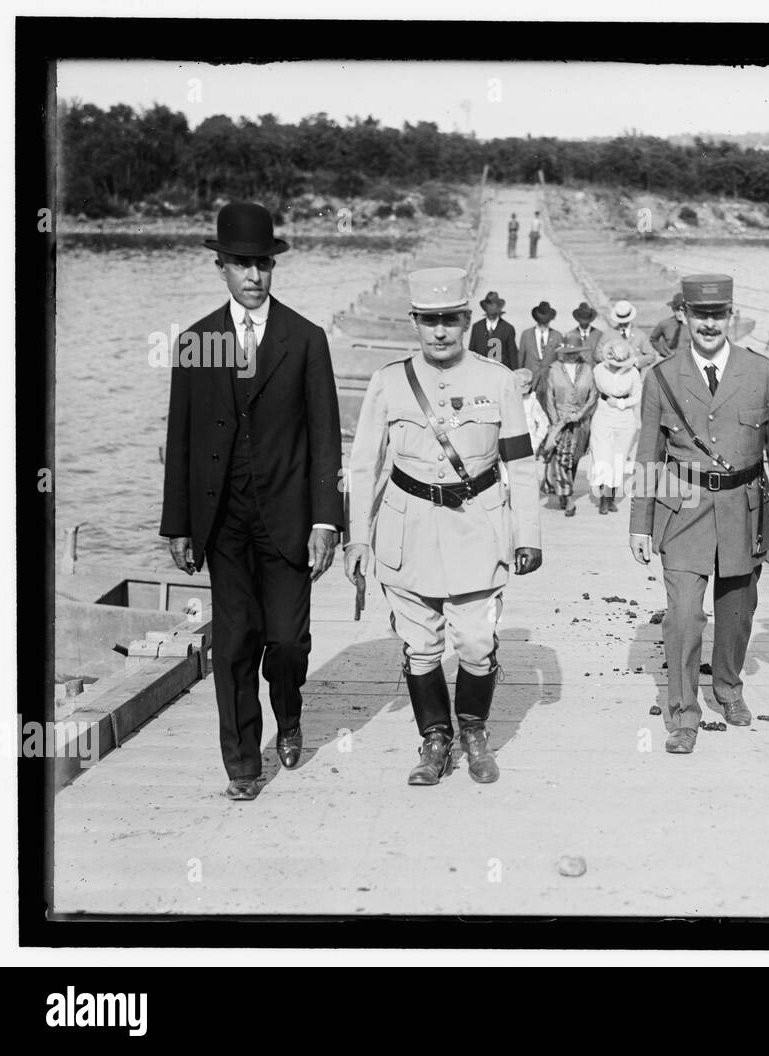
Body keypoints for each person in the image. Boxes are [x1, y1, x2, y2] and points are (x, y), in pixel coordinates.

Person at [161, 201, 344, 801]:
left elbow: (324, 438)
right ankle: (242, 765)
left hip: (289, 519)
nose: (253, 275)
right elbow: (180, 438)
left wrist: (326, 520)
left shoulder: (305, 339)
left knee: (287, 643)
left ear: (273, 266)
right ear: (221, 267)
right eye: (240, 264)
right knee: (235, 643)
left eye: (262, 263)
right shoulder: (197, 341)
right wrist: (179, 524)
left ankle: (288, 713)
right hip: (222, 522)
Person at [344, 267, 542, 786]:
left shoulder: (497, 382)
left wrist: (529, 535)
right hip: (406, 532)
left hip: (477, 527)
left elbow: (519, 464)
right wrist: (358, 538)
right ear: (414, 322)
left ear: (467, 320)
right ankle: (435, 738)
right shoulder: (389, 381)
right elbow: (364, 463)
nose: (439, 331)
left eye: (450, 320)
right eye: (429, 321)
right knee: (420, 645)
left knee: (476, 643)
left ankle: (473, 727)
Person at [629, 274, 769, 754]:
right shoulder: (661, 377)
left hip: (744, 509)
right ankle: (683, 713)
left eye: (718, 314)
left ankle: (727, 687)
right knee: (683, 616)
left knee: (737, 612)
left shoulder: (762, 373)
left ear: (731, 316)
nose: (709, 323)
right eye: (699, 314)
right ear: (684, 314)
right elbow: (648, 455)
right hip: (681, 509)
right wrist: (640, 524)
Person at [541, 336, 598, 517]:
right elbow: (549, 397)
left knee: (573, 459)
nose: (571, 357)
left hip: (581, 423)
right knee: (563, 459)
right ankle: (569, 498)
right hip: (561, 422)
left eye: (574, 353)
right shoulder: (554, 370)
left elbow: (593, 395)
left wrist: (581, 414)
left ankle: (564, 491)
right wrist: (556, 421)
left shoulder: (587, 369)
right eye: (568, 353)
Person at [588, 337, 642, 515]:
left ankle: (610, 497)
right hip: (603, 415)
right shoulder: (598, 370)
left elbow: (637, 396)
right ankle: (604, 498)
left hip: (624, 417)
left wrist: (621, 404)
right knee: (603, 457)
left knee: (618, 459)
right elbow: (591, 391)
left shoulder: (633, 373)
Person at [518, 299, 565, 403]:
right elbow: (520, 359)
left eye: (546, 320)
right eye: (541, 319)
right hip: (529, 382)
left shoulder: (557, 336)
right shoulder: (526, 335)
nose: (543, 322)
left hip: (549, 381)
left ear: (550, 319)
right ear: (536, 319)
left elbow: (560, 361)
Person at [468, 290, 519, 370]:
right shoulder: (477, 327)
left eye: (494, 306)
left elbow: (513, 356)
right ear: (485, 309)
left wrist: (515, 376)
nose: (491, 309)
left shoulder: (508, 329)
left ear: (499, 309)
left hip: (501, 374)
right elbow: (471, 353)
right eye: (489, 306)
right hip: (480, 372)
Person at [602, 299, 657, 369]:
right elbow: (598, 355)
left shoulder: (640, 335)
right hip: (613, 375)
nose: (623, 323)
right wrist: (613, 359)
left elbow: (651, 356)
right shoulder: (609, 334)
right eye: (621, 319)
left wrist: (636, 360)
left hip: (634, 374)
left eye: (625, 319)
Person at [649, 292, 688, 361]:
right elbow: (653, 339)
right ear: (673, 309)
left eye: (682, 310)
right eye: (676, 310)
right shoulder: (665, 324)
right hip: (670, 360)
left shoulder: (692, 325)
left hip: (688, 360)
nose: (679, 313)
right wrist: (665, 352)